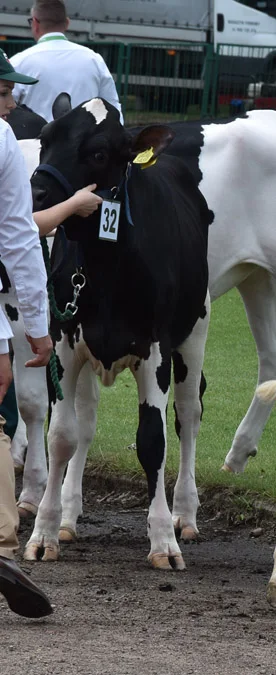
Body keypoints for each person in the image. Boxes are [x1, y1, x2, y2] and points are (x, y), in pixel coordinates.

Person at [0, 51, 54, 620]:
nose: (13, 103)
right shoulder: (2, 141)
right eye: (4, 92)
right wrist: (37, 326)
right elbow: (16, 234)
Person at [11, 0, 122, 123]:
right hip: (84, 141)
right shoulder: (94, 60)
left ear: (35, 23)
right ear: (67, 23)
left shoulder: (19, 62)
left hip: (34, 140)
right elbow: (113, 107)